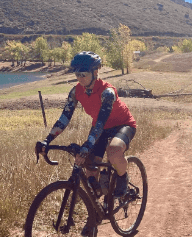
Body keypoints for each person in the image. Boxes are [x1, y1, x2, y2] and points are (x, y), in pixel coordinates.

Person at [36, 51, 137, 198]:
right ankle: (96, 199)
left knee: (113, 151)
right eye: (77, 75)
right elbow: (64, 118)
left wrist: (87, 146)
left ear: (95, 72)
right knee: (89, 164)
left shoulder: (107, 92)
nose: (80, 79)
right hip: (100, 128)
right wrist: (47, 140)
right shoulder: (76, 91)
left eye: (84, 74)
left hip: (123, 124)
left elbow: (101, 122)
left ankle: (122, 178)